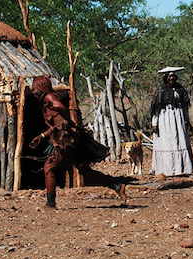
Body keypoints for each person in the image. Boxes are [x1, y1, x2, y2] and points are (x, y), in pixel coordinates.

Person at [29, 76, 127, 211]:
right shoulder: (47, 101)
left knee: (49, 167)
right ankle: (116, 185)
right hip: (68, 140)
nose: (33, 92)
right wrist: (42, 135)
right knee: (84, 170)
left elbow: (61, 108)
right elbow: (57, 123)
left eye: (34, 89)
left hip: (65, 141)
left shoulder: (49, 98)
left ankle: (50, 204)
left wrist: (57, 107)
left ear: (41, 88)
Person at [150, 68, 193, 176]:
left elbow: (184, 107)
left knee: (179, 141)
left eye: (173, 76)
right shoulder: (161, 90)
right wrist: (154, 123)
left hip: (178, 118)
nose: (172, 78)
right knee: (166, 142)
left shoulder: (180, 89)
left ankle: (181, 169)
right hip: (165, 118)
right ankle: (166, 170)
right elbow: (156, 108)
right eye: (170, 76)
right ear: (166, 78)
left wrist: (187, 120)